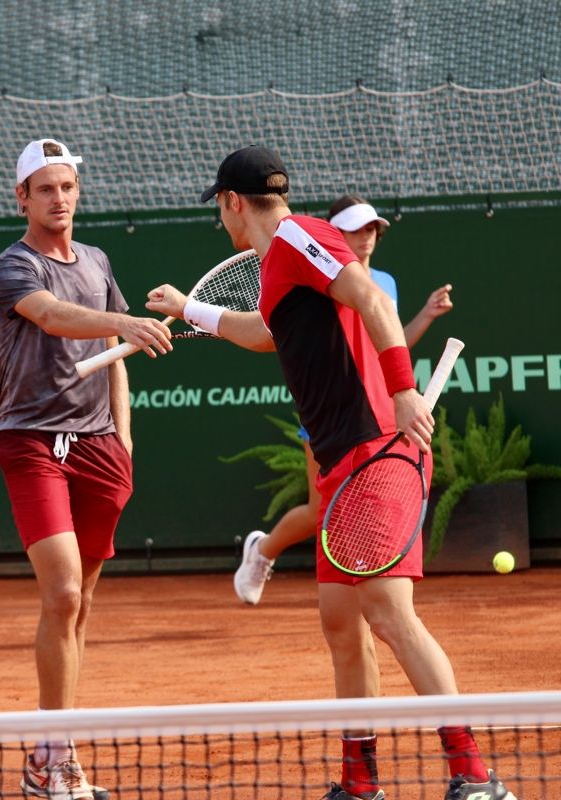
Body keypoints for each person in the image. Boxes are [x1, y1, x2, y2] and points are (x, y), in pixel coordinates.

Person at [145, 146, 515, 800]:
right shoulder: (278, 264)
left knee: (388, 614)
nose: (221, 223)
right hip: (341, 463)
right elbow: (265, 333)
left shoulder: (297, 236)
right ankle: (360, 783)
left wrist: (402, 389)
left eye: (220, 209)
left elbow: (371, 298)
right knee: (342, 624)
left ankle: (474, 776)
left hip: (376, 449)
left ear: (233, 203)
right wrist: (189, 310)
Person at [0, 138, 173, 800]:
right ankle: (49, 753)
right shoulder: (11, 267)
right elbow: (56, 317)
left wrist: (123, 442)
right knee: (63, 594)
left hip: (99, 451)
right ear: (22, 199)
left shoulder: (95, 260)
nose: (58, 198)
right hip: (32, 442)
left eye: (66, 187)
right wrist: (123, 318)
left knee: (82, 604)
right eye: (45, 189)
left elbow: (115, 352)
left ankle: (59, 754)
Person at [233, 195, 455, 605]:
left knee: (349, 544)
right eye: (354, 229)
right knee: (323, 510)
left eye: (371, 228)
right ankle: (263, 552)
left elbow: (389, 343)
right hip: (330, 414)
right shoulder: (309, 266)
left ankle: (347, 597)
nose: (366, 237)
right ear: (334, 232)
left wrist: (423, 317)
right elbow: (274, 333)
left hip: (375, 413)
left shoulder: (383, 284)